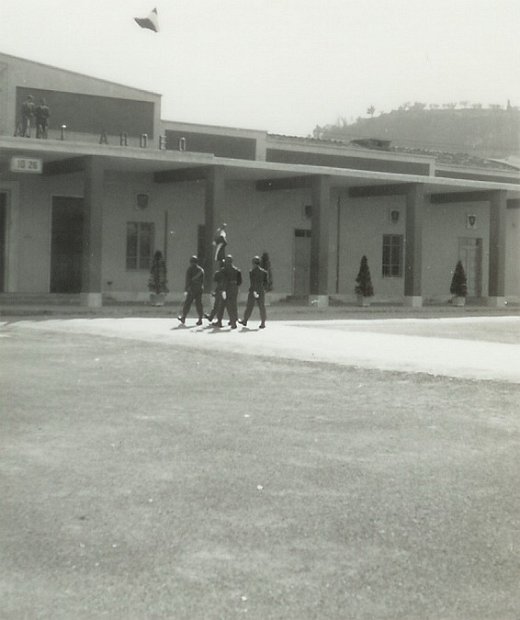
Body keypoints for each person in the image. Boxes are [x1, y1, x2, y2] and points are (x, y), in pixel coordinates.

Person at [239, 256, 268, 329]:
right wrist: (262, 289)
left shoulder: (252, 272)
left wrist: (255, 291)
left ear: (253, 263)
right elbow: (266, 282)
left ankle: (245, 320)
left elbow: (253, 282)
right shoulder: (264, 272)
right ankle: (263, 323)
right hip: (261, 290)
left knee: (249, 306)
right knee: (262, 307)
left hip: (253, 290)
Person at [214, 254, 241, 329]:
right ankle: (233, 320)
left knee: (223, 305)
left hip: (226, 289)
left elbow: (223, 281)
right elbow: (239, 281)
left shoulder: (223, 270)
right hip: (234, 288)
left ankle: (224, 322)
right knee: (233, 305)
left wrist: (223, 290)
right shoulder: (236, 270)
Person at [178, 255, 204, 325]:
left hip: (192, 289)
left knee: (187, 304)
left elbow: (188, 280)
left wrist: (186, 289)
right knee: (199, 304)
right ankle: (200, 319)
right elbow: (202, 281)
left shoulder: (190, 269)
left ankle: (183, 317)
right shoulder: (201, 270)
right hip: (199, 289)